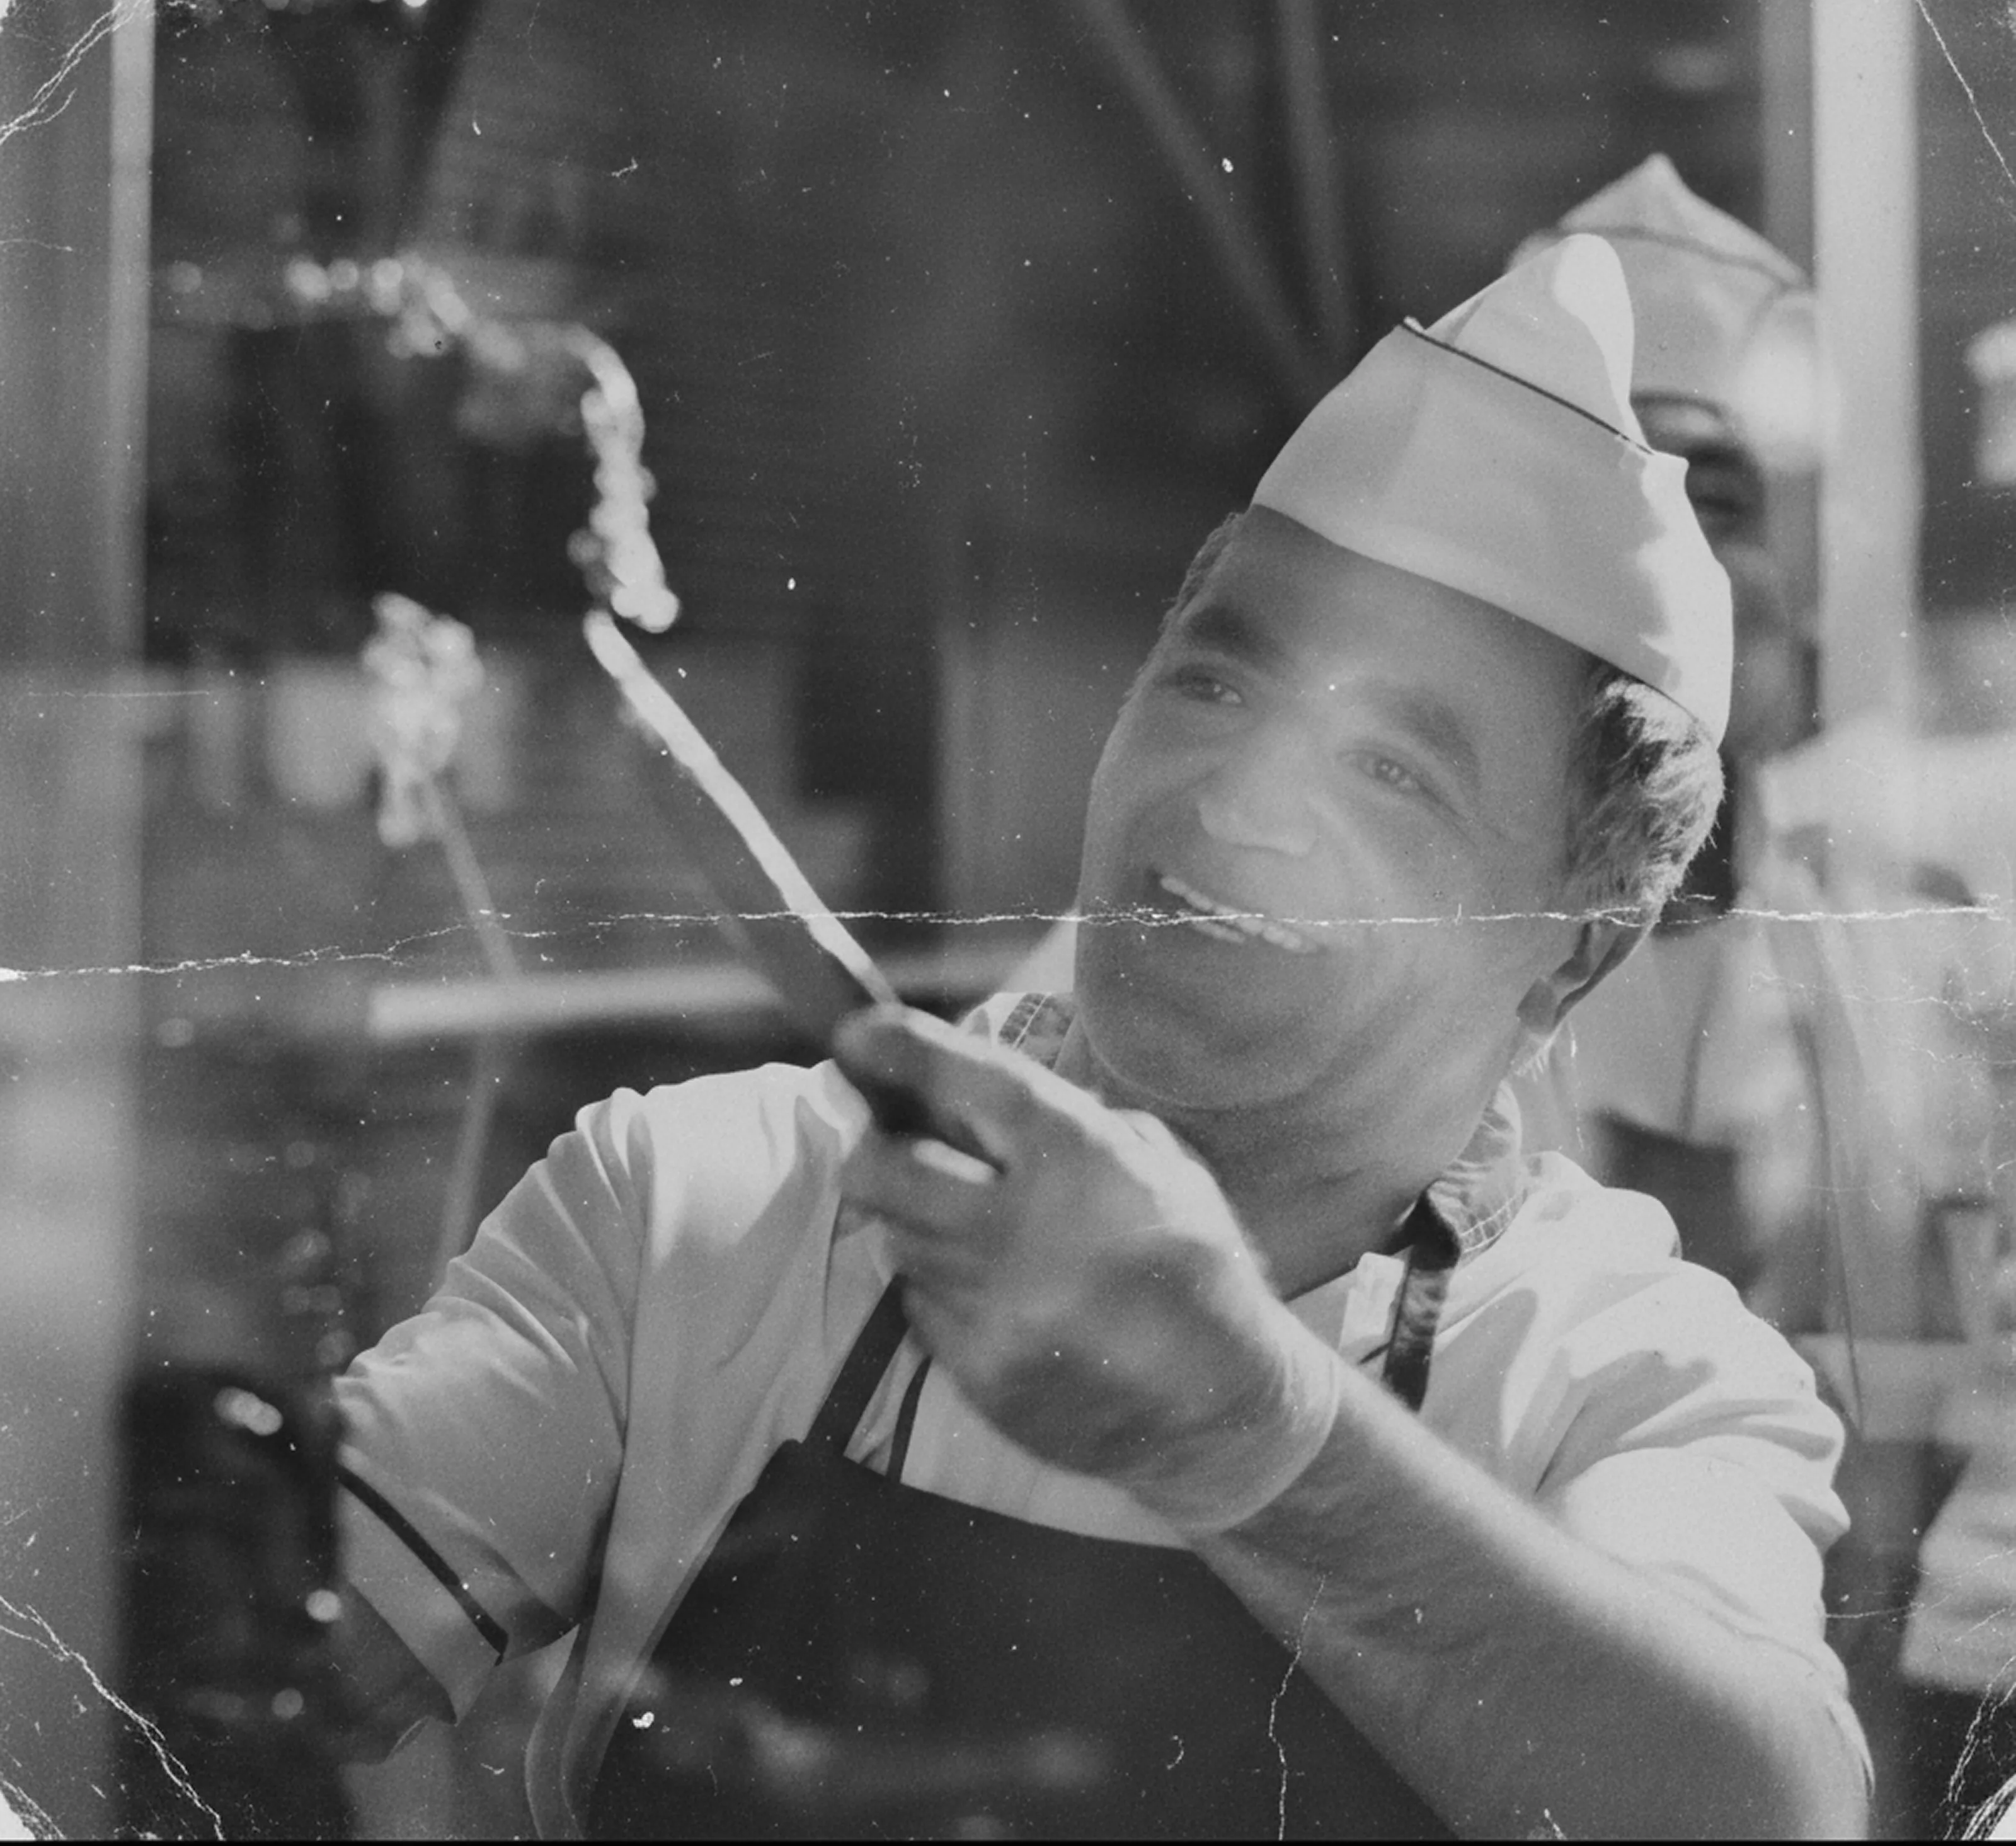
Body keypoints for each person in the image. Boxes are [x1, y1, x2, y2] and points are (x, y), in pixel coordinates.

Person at [323, 236, 1869, 1838]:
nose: (1241, 800)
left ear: (1573, 950)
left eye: (1395, 774)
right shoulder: (697, 1202)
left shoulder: (1626, 1378)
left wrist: (1246, 1425)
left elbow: (1767, 1811)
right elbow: (260, 1650)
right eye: (1215, 682)